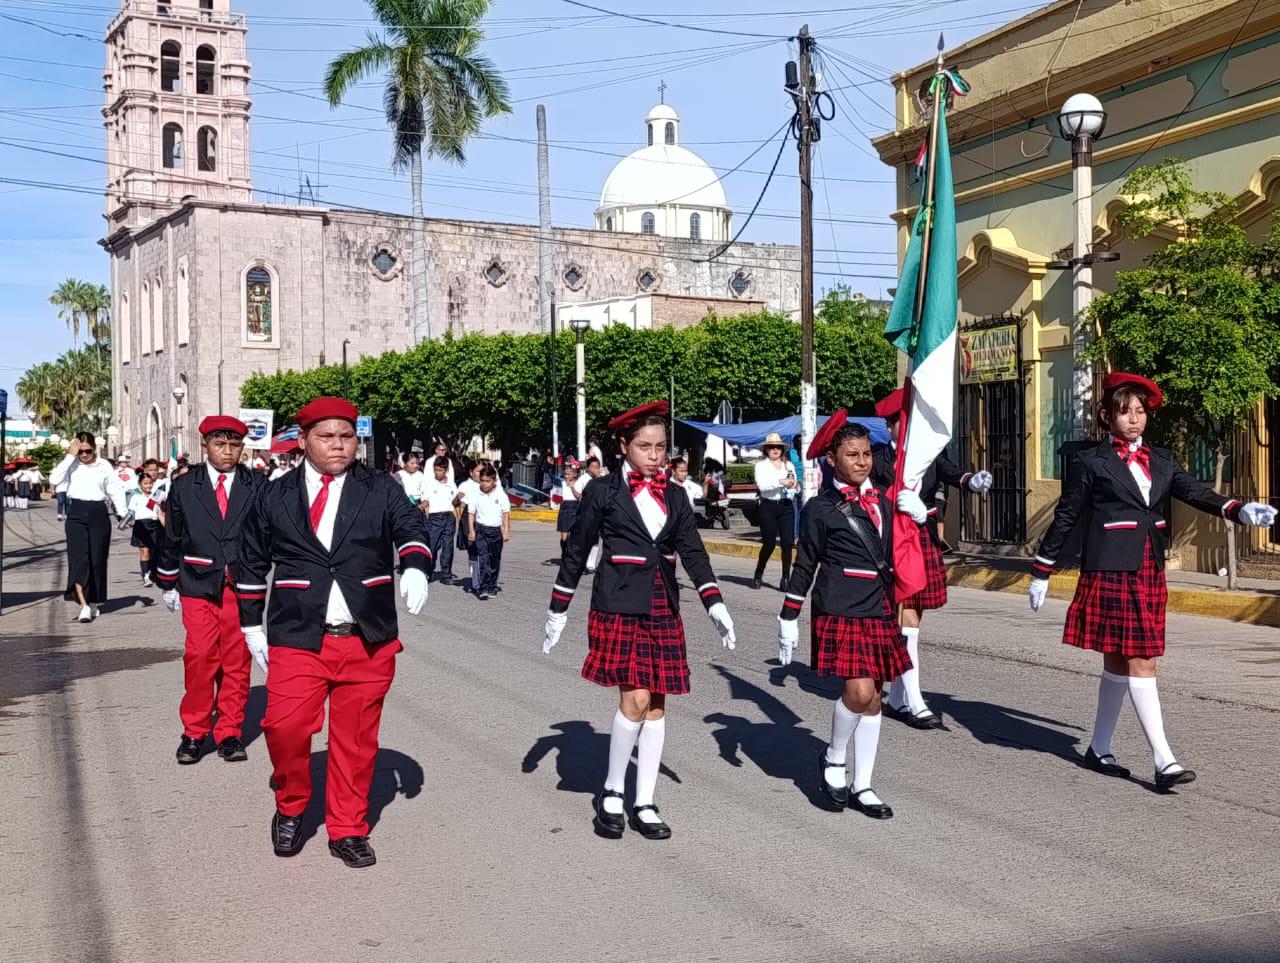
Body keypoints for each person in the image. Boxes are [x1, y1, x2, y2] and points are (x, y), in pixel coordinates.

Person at [1029, 372, 1277, 789]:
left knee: (1121, 661)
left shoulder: (1161, 460)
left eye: (1140, 412)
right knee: (1138, 659)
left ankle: (1099, 748)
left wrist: (1239, 509)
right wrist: (1042, 569)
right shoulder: (1091, 462)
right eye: (1125, 412)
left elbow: (1197, 493)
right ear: (1107, 416)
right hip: (1108, 567)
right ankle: (1164, 761)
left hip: (1147, 567)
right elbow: (1067, 516)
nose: (1134, 419)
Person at [234, 397, 431, 868]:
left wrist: (416, 565)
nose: (339, 446)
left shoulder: (380, 488)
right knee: (283, 727)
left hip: (367, 636)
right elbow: (250, 559)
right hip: (298, 633)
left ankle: (347, 827)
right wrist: (249, 624)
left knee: (357, 741)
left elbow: (410, 526)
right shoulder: (274, 494)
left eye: (346, 437)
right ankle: (291, 803)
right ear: (303, 442)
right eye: (327, 437)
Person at [543, 401, 737, 840]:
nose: (654, 455)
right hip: (618, 604)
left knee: (657, 703)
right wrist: (558, 607)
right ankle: (613, 790)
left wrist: (715, 604)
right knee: (634, 699)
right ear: (623, 446)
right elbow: (577, 551)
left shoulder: (675, 494)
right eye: (645, 446)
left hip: (662, 604)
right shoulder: (603, 491)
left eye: (661, 447)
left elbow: (693, 553)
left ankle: (645, 800)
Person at [777, 412, 927, 819]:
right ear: (831, 459)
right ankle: (834, 756)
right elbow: (805, 563)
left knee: (875, 698)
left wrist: (918, 515)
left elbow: (900, 551)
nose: (862, 462)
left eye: (865, 454)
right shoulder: (820, 508)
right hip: (841, 606)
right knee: (858, 693)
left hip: (878, 607)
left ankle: (864, 784)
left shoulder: (884, 498)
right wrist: (788, 615)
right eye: (851, 454)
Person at [871, 388, 994, 729]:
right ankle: (915, 701)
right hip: (892, 541)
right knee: (905, 620)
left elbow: (956, 475)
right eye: (901, 422)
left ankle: (896, 698)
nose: (907, 428)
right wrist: (894, 502)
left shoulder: (928, 455)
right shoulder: (879, 459)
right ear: (891, 425)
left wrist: (975, 481)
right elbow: (871, 499)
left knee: (914, 618)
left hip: (921, 535)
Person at [153, 415, 264, 765]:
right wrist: (167, 580)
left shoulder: (257, 484)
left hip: (241, 585)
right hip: (197, 582)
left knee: (236, 659)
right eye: (220, 444)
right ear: (205, 446)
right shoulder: (186, 486)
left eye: (235, 445)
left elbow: (271, 532)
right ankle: (195, 730)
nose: (228, 452)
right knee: (200, 656)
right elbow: (172, 535)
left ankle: (229, 730)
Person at [50, 433, 129, 622]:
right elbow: (54, 479)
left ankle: (94, 602)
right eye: (81, 451)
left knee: (97, 560)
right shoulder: (72, 464)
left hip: (98, 513)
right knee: (79, 561)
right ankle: (83, 605)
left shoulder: (104, 466)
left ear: (95, 449)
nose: (84, 455)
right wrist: (70, 456)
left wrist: (123, 512)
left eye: (88, 451)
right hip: (76, 512)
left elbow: (115, 489)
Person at [752, 433, 799, 590]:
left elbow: (796, 485)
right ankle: (759, 572)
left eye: (777, 447)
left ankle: (786, 577)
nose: (774, 450)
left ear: (782, 449)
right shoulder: (761, 466)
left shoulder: (789, 466)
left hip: (786, 505)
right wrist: (780, 482)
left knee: (787, 543)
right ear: (766, 449)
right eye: (771, 447)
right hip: (768, 507)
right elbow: (762, 486)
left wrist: (794, 485)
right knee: (769, 544)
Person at [468, 464, 511, 600]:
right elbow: (471, 513)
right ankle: (484, 587)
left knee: (494, 560)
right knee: (484, 559)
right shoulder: (475, 494)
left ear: (494, 481)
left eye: (488, 481)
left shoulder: (500, 494)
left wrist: (506, 530)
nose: (485, 484)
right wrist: (471, 530)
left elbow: (505, 513)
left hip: (496, 531)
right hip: (481, 530)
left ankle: (492, 585)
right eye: (482, 481)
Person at [423, 455, 459, 582]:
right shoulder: (430, 484)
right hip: (435, 518)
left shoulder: (451, 485)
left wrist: (458, 498)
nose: (438, 473)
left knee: (448, 546)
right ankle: (429, 570)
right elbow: (425, 501)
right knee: (432, 546)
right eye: (436, 470)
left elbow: (456, 503)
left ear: (446, 470)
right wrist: (422, 508)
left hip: (449, 517)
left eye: (440, 470)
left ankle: (446, 574)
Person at [126, 473, 163, 587]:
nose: (148, 485)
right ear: (140, 484)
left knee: (155, 552)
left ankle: (153, 573)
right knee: (144, 551)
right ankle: (145, 576)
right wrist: (126, 521)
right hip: (141, 525)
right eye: (145, 483)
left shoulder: (157, 495)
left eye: (150, 483)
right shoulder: (135, 496)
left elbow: (160, 513)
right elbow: (131, 512)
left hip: (154, 525)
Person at [454, 460, 485, 590]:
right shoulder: (465, 485)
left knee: (485, 549)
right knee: (473, 549)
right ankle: (475, 579)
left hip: (485, 517)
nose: (481, 474)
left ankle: (484, 577)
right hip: (469, 518)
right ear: (471, 472)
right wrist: (457, 497)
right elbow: (456, 503)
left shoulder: (489, 484)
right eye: (478, 471)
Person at [556, 463, 581, 546]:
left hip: (575, 508)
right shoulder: (561, 483)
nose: (566, 476)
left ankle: (569, 554)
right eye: (565, 474)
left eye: (569, 474)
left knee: (573, 535)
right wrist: (556, 498)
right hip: (564, 508)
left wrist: (572, 487)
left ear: (575, 474)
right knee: (564, 537)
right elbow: (557, 498)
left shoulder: (579, 483)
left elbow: (578, 496)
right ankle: (564, 551)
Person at [702, 458, 730, 530]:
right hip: (722, 491)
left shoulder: (709, 471)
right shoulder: (721, 470)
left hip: (714, 494)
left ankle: (709, 517)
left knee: (707, 500)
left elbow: (706, 482)